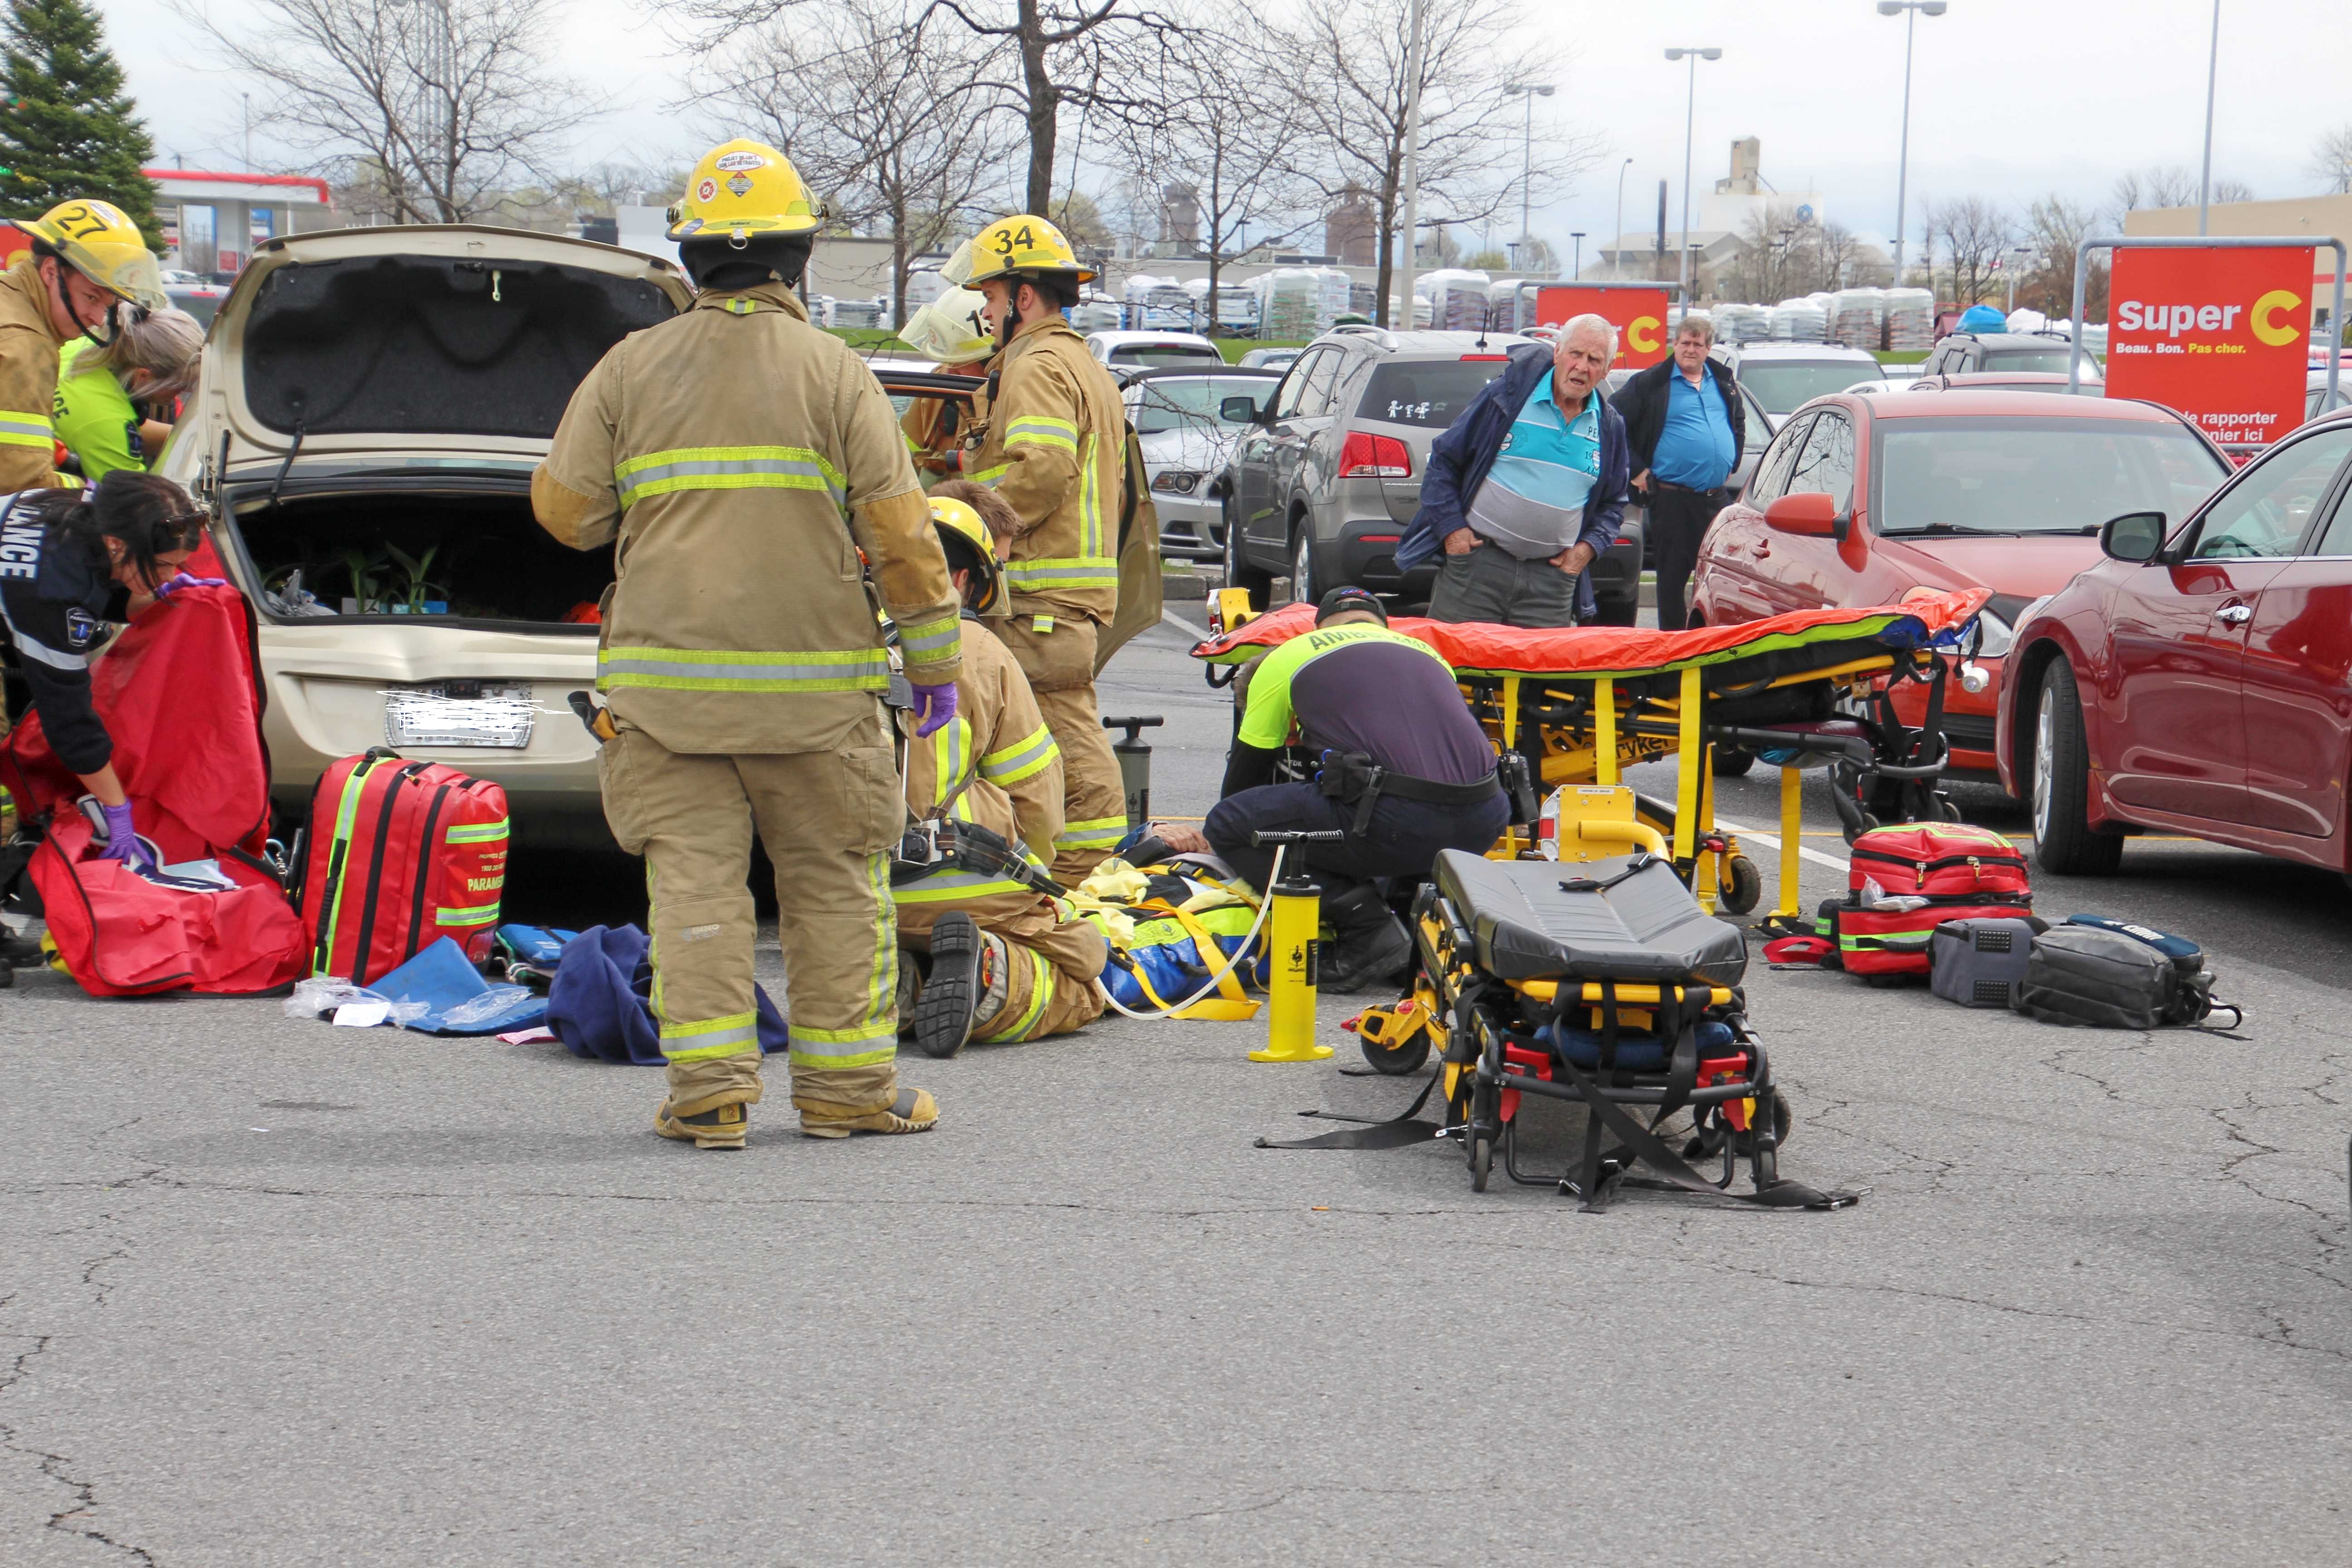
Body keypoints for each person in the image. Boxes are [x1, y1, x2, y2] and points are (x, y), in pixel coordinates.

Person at [532, 138, 966, 1151]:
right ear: (799, 257)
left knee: (693, 892)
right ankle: (848, 1098)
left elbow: (564, 514)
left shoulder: (628, 370)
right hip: (820, 706)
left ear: (690, 262)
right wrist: (937, 668)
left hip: (666, 704)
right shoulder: (835, 373)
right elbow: (904, 536)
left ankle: (710, 1098)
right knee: (834, 892)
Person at [1155, 587, 1509, 993]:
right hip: (1485, 819)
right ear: (1383, 626)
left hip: (1400, 819)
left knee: (1233, 823)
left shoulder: (1293, 653)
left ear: (1318, 627)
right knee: (1395, 811)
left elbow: (1245, 778)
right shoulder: (1427, 655)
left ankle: (1367, 929)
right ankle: (1410, 937)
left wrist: (1221, 850)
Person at [891, 485, 1108, 1058]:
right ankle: (994, 975)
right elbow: (1036, 796)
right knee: (1083, 974)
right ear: (963, 581)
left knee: (854, 953)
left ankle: (896, 983)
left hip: (841, 889)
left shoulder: (826, 642)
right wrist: (1038, 885)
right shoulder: (980, 651)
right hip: (965, 881)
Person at [951, 215, 1131, 883]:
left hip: (1037, 594)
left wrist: (972, 531)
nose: (987, 313)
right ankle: (1087, 870)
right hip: (1064, 596)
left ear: (1024, 298)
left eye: (991, 299)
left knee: (1060, 743)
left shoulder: (1035, 365)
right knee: (1061, 735)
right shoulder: (1081, 363)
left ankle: (1085, 877)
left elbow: (1043, 468)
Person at [0, 472, 217, 892]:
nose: (172, 576)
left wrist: (160, 595)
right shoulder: (49, 589)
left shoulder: (91, 512)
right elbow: (69, 723)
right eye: (166, 565)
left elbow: (106, 588)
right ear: (118, 545)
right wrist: (117, 810)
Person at [1398, 313, 1630, 629]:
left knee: (1540, 679)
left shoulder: (1609, 426)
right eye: (1576, 354)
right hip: (1477, 569)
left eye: (1594, 360)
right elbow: (1444, 460)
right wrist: (1453, 532)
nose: (1582, 366)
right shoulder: (1506, 397)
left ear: (1607, 370)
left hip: (1551, 584)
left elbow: (1614, 503)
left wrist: (1585, 552)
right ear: (1558, 352)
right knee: (1454, 670)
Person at [0, 200, 168, 492]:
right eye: (91, 297)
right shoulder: (26, 346)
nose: (96, 318)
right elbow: (21, 483)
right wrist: (83, 489)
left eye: (109, 304)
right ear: (52, 272)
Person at [1615, 312, 1745, 632]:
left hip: (1716, 499)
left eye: (1698, 344)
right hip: (1673, 499)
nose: (1691, 349)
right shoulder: (1652, 383)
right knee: (1672, 579)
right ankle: (1673, 647)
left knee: (1719, 575)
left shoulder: (1722, 381)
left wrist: (1732, 460)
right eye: (1685, 343)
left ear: (1708, 348)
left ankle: (1709, 642)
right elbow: (1614, 421)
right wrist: (1637, 469)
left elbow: (1738, 421)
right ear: (1674, 344)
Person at [55, 307, 205, 482]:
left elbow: (132, 431)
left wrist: (195, 438)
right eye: (179, 386)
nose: (181, 394)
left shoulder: (91, 350)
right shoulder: (106, 422)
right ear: (144, 375)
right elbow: (135, 497)